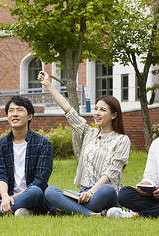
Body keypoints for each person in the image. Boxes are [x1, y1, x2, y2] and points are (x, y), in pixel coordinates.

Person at [38, 70, 130, 216]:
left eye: (102, 110)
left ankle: (72, 211)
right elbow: (69, 111)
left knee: (107, 190)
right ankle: (92, 214)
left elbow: (111, 173)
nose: (97, 113)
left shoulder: (122, 140)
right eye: (96, 109)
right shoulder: (89, 133)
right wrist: (48, 85)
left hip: (102, 193)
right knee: (50, 192)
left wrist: (92, 192)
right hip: (82, 194)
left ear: (113, 115)